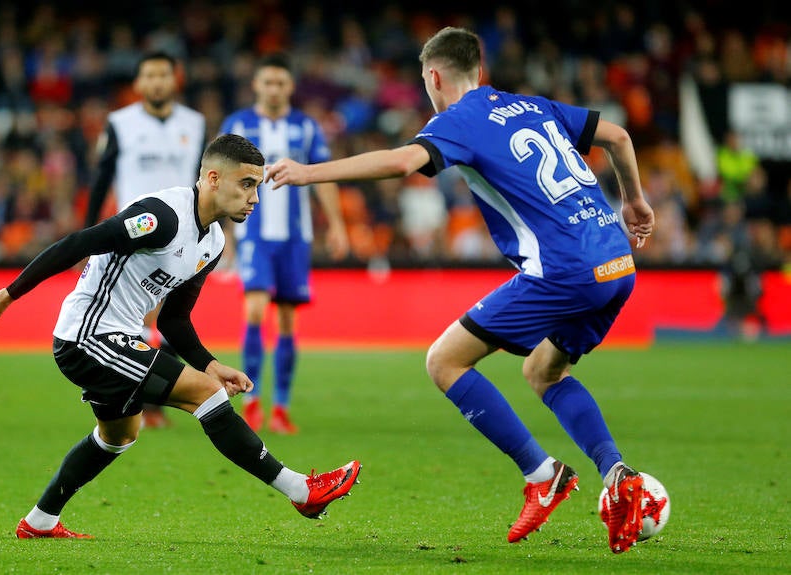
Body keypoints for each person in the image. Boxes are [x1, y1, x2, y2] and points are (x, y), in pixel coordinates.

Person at [266, 27, 655, 554]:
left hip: (563, 269)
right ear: (479, 69)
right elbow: (619, 137)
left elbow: (401, 163)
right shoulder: (533, 105)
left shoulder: (458, 120)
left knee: (444, 361)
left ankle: (542, 475)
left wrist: (309, 173)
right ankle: (617, 473)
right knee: (543, 371)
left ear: (434, 76)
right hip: (617, 261)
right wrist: (633, 200)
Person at [0, 134, 361, 539]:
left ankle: (40, 521)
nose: (254, 198)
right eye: (246, 184)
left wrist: (211, 364)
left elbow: (174, 321)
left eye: (257, 186)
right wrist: (8, 295)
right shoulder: (162, 216)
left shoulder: (212, 242)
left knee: (118, 436)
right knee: (205, 395)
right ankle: (300, 490)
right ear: (213, 178)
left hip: (120, 338)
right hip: (87, 336)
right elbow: (78, 242)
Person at [218, 52, 349, 434]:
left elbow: (323, 176)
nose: (274, 89)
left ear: (290, 86)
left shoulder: (306, 127)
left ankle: (281, 407)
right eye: (268, 82)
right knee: (256, 310)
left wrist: (337, 224)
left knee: (288, 321)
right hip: (253, 234)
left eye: (280, 82)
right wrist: (224, 231)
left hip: (295, 237)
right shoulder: (237, 124)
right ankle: (252, 401)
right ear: (256, 85)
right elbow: (220, 180)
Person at [84, 50, 208, 429]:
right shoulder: (119, 123)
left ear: (175, 80)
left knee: (172, 318)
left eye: (163, 75)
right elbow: (102, 179)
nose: (156, 82)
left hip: (183, 234)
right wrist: (88, 235)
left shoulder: (195, 123)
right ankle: (136, 400)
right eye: (149, 75)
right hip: (133, 236)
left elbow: (207, 181)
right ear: (138, 83)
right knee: (133, 318)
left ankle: (153, 400)